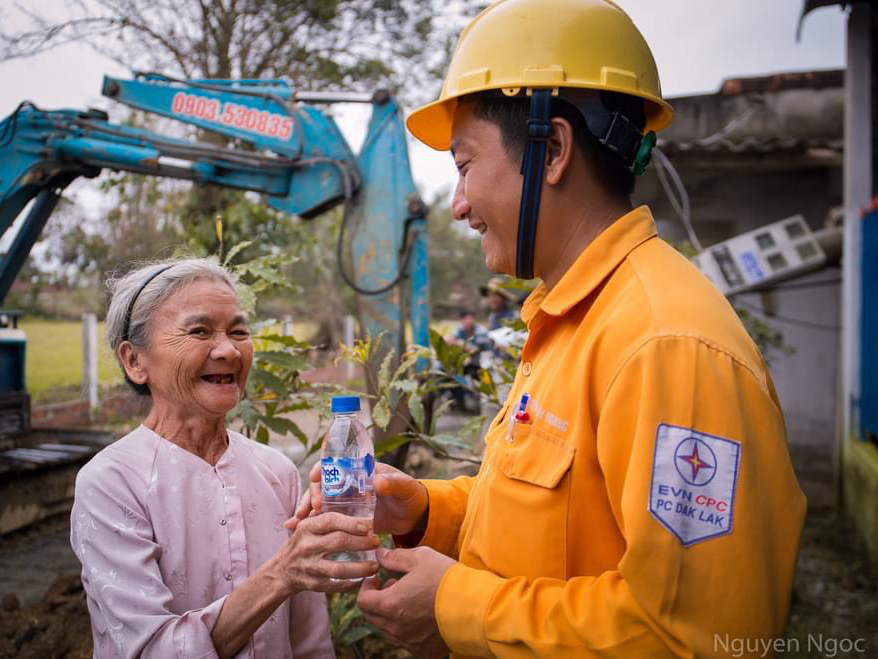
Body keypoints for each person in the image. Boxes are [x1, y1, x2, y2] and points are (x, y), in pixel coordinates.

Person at [291, 0, 806, 656]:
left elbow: (694, 636)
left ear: (553, 150)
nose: (459, 204)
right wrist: (425, 508)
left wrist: (455, 605)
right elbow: (547, 518)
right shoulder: (572, 319)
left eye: (465, 165)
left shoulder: (666, 346)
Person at [70, 258, 379, 658]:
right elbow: (150, 650)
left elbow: (309, 640)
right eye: (199, 331)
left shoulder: (276, 472)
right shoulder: (112, 482)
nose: (229, 349)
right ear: (135, 361)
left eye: (239, 331)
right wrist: (281, 574)